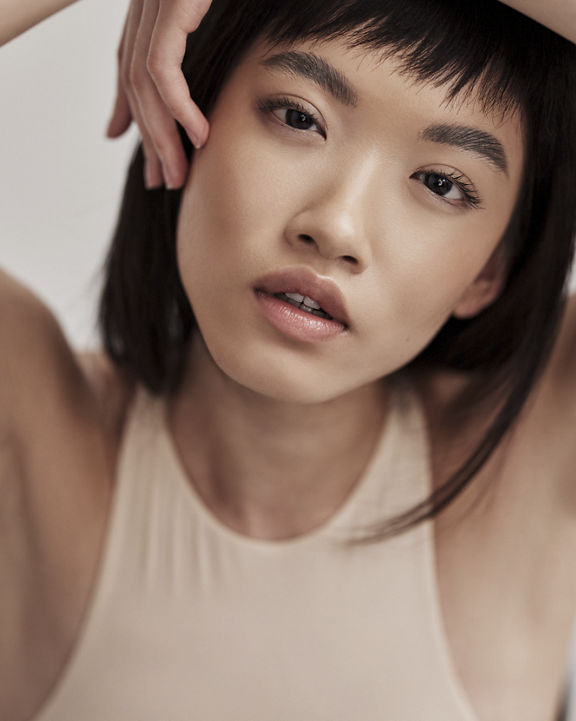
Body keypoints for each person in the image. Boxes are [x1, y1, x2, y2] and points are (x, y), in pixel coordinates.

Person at [1, 1, 576, 720]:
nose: (335, 226)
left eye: (440, 183)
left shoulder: (539, 445)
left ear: (488, 270)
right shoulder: (34, 427)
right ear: (181, 105)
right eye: (300, 117)